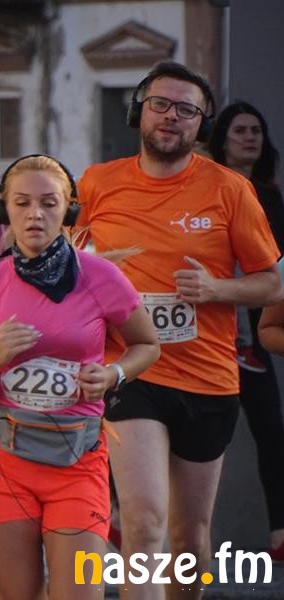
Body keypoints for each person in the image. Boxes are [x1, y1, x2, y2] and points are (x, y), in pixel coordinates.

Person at [75, 61, 282, 600]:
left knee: (190, 539)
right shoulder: (97, 182)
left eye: (186, 109)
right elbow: (63, 261)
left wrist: (216, 289)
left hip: (208, 378)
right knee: (143, 522)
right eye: (161, 104)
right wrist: (82, 266)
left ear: (202, 125)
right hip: (130, 372)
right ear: (139, 111)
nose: (171, 116)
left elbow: (271, 284)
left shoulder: (231, 189)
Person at [0, 154, 159, 600]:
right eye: (22, 203)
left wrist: (113, 374)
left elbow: (148, 345)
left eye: (48, 203)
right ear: (5, 210)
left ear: (68, 211)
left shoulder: (101, 277)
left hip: (77, 457)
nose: (35, 214)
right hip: (4, 457)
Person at [208, 100, 284, 561]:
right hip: (208, 331)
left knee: (272, 430)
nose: (250, 137)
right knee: (191, 434)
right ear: (222, 140)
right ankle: (122, 513)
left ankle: (279, 533)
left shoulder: (271, 197)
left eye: (256, 130)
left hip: (254, 336)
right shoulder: (206, 189)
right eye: (240, 130)